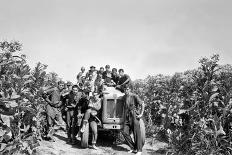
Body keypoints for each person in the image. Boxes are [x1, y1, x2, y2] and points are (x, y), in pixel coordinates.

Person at [121, 85, 145, 155]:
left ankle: (139, 150)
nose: (126, 91)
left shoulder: (134, 96)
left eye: (127, 89)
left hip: (134, 114)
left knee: (136, 133)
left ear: (130, 89)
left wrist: (141, 114)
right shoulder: (124, 97)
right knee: (124, 132)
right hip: (127, 115)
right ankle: (133, 147)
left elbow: (142, 104)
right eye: (125, 89)